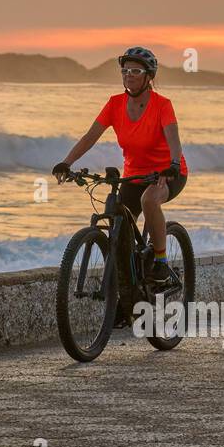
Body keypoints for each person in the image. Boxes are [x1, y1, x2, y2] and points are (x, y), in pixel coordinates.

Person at [52, 46, 188, 286]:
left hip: (167, 173)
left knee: (149, 200)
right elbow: (89, 137)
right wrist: (66, 162)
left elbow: (174, 139)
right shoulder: (115, 104)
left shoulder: (162, 105)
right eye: (125, 71)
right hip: (134, 176)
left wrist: (174, 164)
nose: (129, 75)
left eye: (136, 71)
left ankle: (161, 262)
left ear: (149, 76)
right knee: (119, 226)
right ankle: (125, 296)